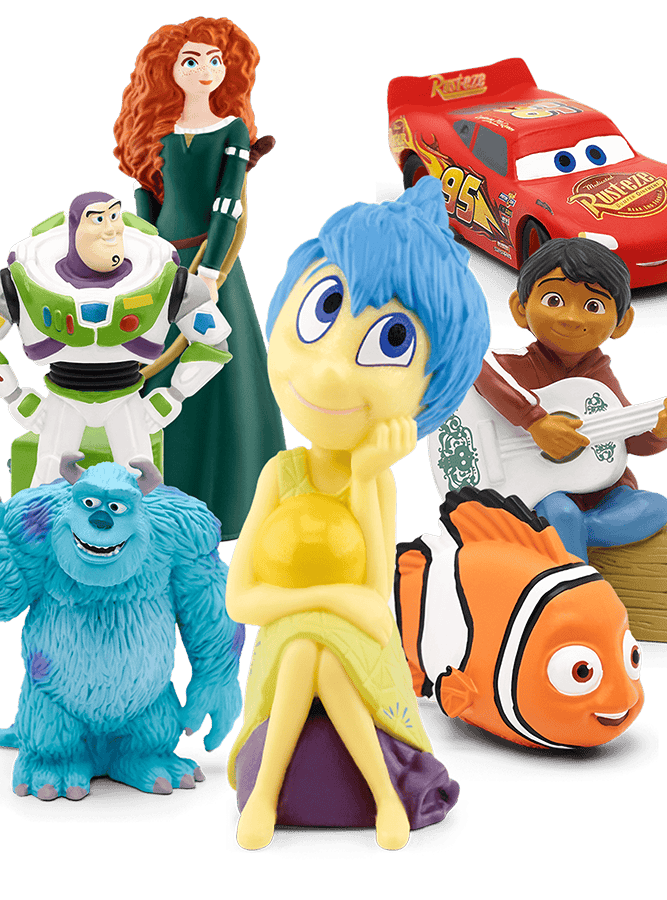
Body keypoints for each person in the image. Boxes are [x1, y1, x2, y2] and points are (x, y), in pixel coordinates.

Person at [225, 178, 490, 851]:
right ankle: (376, 801)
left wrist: (369, 475)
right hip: (287, 641)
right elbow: (241, 599)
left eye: (391, 339)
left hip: (361, 649)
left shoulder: (378, 482)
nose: (330, 374)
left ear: (431, 392)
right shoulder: (279, 475)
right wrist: (321, 601)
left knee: (321, 654)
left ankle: (275, 801)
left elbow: (376, 604)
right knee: (305, 647)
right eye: (324, 308)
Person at [114, 17, 284, 540]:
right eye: (192, 60)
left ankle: (231, 500)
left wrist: (209, 272)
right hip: (162, 267)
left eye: (216, 61)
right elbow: (146, 205)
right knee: (154, 365)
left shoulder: (230, 130)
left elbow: (228, 205)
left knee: (221, 366)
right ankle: (148, 495)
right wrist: (143, 259)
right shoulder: (158, 133)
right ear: (168, 70)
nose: (205, 69)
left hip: (210, 265)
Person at [0, 191, 226, 488]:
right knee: (48, 478)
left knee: (139, 479)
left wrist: (173, 396)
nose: (110, 228)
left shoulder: (168, 279)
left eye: (114, 215)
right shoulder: (19, 281)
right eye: (98, 219)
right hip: (63, 398)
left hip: (125, 397)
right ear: (75, 227)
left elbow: (214, 343)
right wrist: (16, 398)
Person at [473, 237, 667, 560]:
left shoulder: (600, 380)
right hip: (542, 493)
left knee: (654, 508)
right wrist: (534, 421)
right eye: (554, 300)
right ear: (520, 309)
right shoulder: (516, 366)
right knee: (561, 512)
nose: (571, 318)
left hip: (603, 491)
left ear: (621, 323)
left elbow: (630, 440)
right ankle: (575, 573)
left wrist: (662, 430)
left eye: (593, 306)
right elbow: (476, 364)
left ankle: (571, 533)